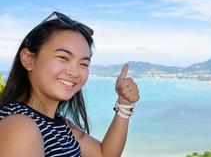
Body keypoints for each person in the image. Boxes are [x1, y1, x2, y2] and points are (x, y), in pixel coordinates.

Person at [0, 11, 140, 157]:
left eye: (83, 64)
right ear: (29, 59)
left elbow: (104, 154)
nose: (75, 72)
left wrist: (124, 104)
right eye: (63, 57)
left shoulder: (57, 123)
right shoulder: (20, 127)